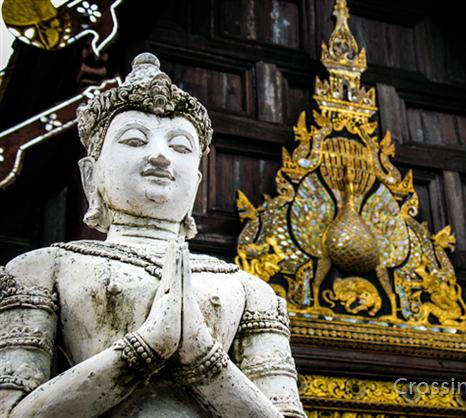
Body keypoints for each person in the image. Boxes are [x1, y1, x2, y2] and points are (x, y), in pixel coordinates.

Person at [0, 52, 305, 418]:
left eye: (179, 147)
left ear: (196, 181)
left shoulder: (249, 290)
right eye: (133, 140)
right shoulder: (43, 269)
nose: (161, 157)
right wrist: (144, 348)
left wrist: (204, 358)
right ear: (90, 176)